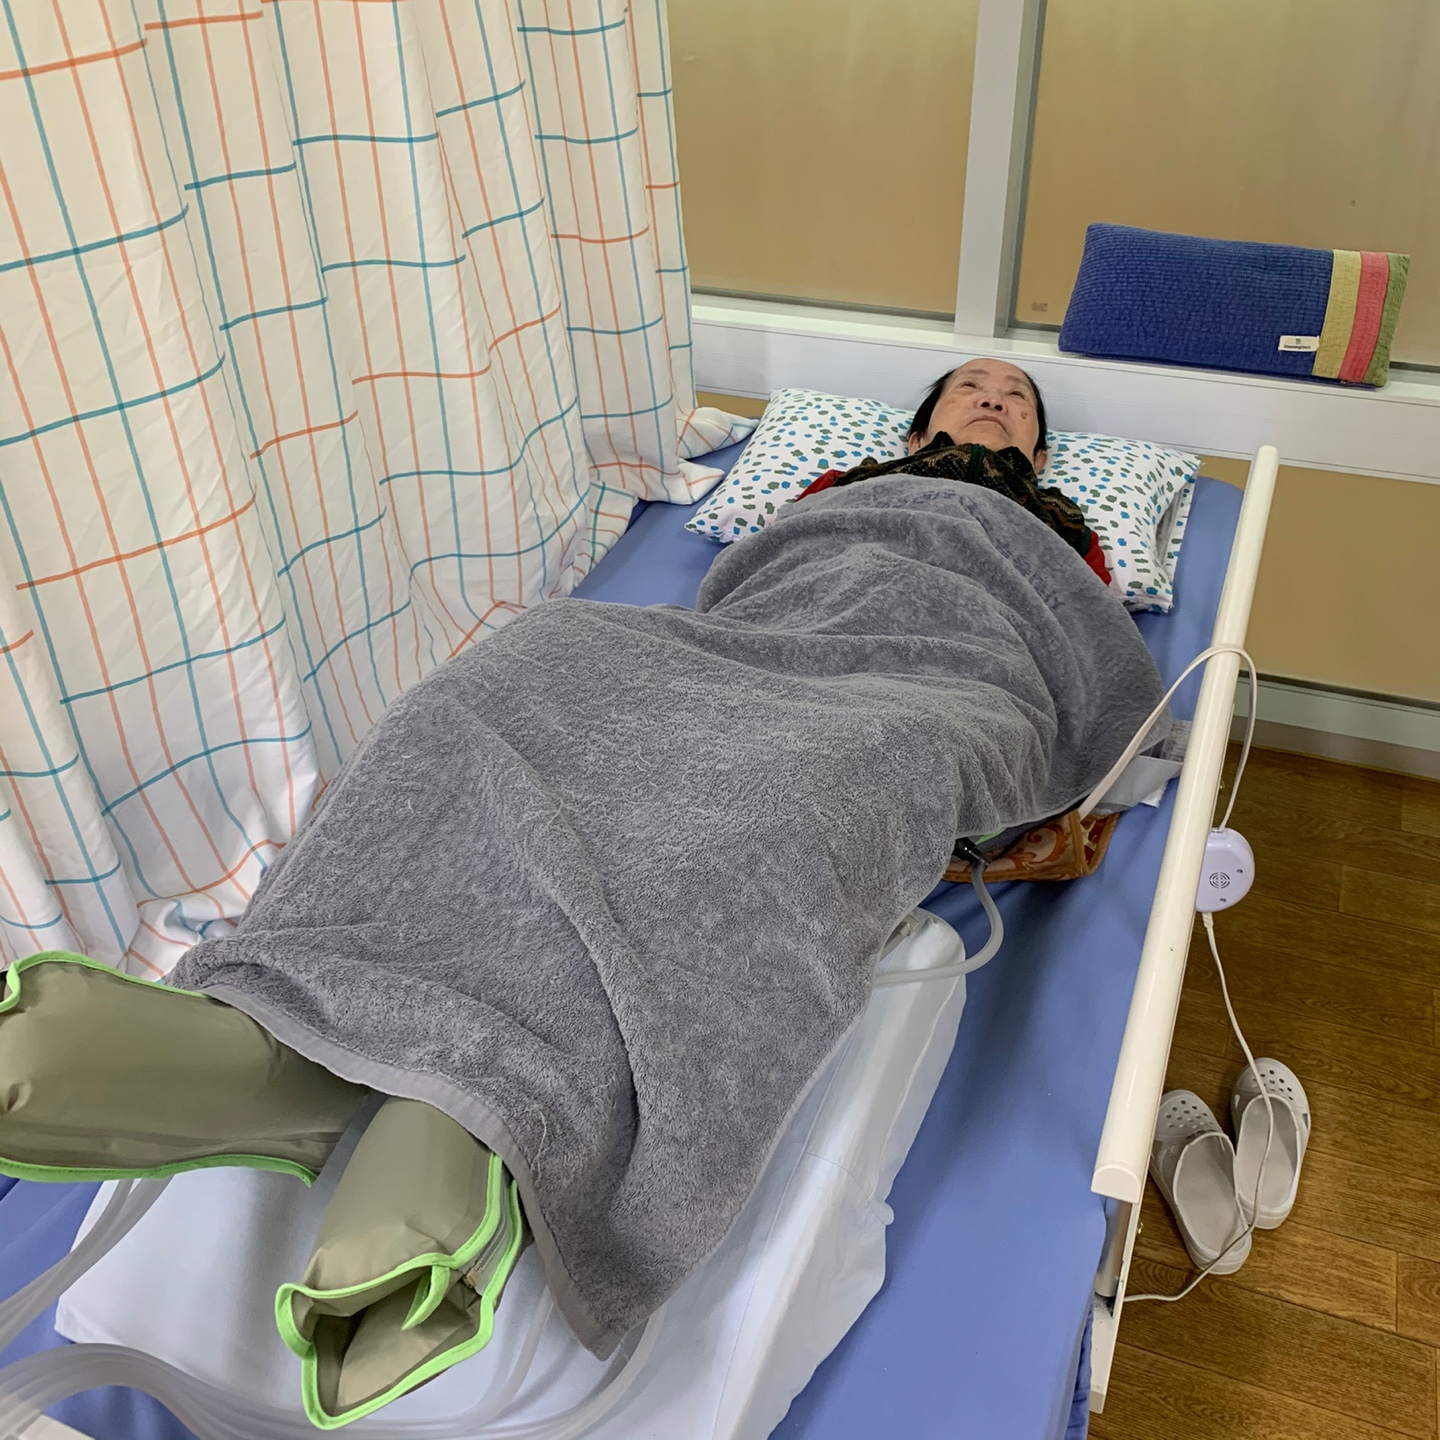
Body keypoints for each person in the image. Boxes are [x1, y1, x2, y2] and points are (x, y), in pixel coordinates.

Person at [801, 359, 1112, 584]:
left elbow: (1094, 627)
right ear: (917, 440)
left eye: (1016, 395)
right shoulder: (849, 485)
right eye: (969, 385)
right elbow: (785, 553)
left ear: (1039, 458)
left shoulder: (1065, 526)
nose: (993, 401)